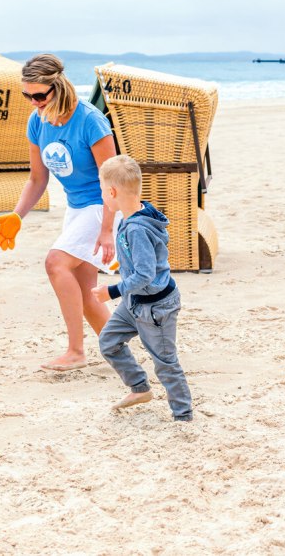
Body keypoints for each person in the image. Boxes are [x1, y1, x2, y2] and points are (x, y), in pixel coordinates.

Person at [0, 54, 117, 371]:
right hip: (76, 208)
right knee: (88, 293)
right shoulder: (38, 121)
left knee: (55, 263)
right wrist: (17, 217)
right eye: (27, 95)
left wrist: (106, 231)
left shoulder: (90, 121)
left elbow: (112, 182)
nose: (33, 102)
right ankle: (119, 348)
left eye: (39, 95)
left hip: (102, 205)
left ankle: (76, 351)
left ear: (58, 87)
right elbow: (37, 178)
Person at [92, 155, 192, 421]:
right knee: (109, 341)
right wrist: (122, 263)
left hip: (156, 307)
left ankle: (183, 415)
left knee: (165, 362)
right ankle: (139, 387)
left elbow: (146, 274)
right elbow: (142, 260)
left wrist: (111, 292)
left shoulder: (136, 227)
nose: (103, 197)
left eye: (103, 191)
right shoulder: (135, 214)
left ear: (112, 192)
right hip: (135, 302)